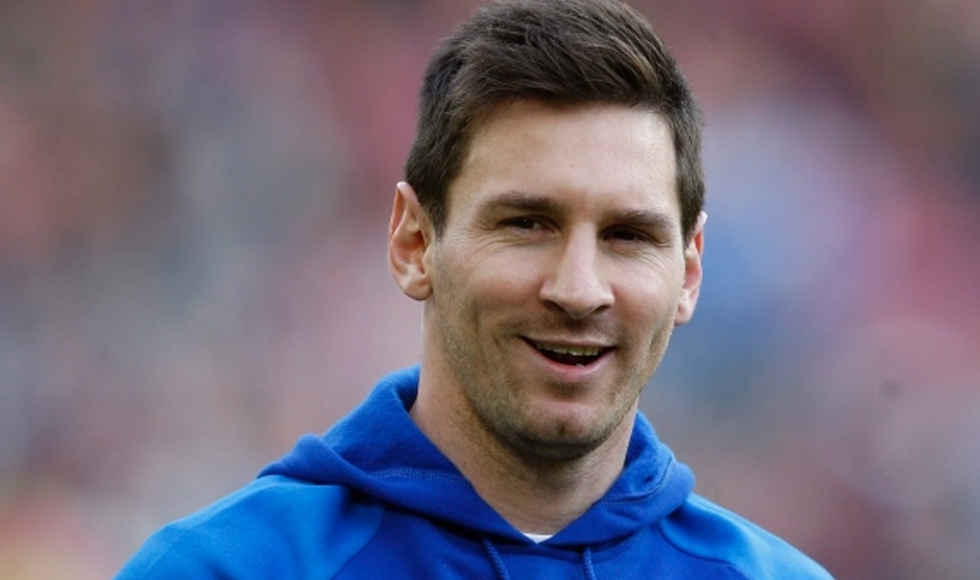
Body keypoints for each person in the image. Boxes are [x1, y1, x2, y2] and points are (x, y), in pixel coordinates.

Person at [116, 0, 834, 578]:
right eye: (527, 224)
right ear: (414, 243)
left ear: (690, 272)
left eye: (628, 235)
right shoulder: (226, 570)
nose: (579, 290)